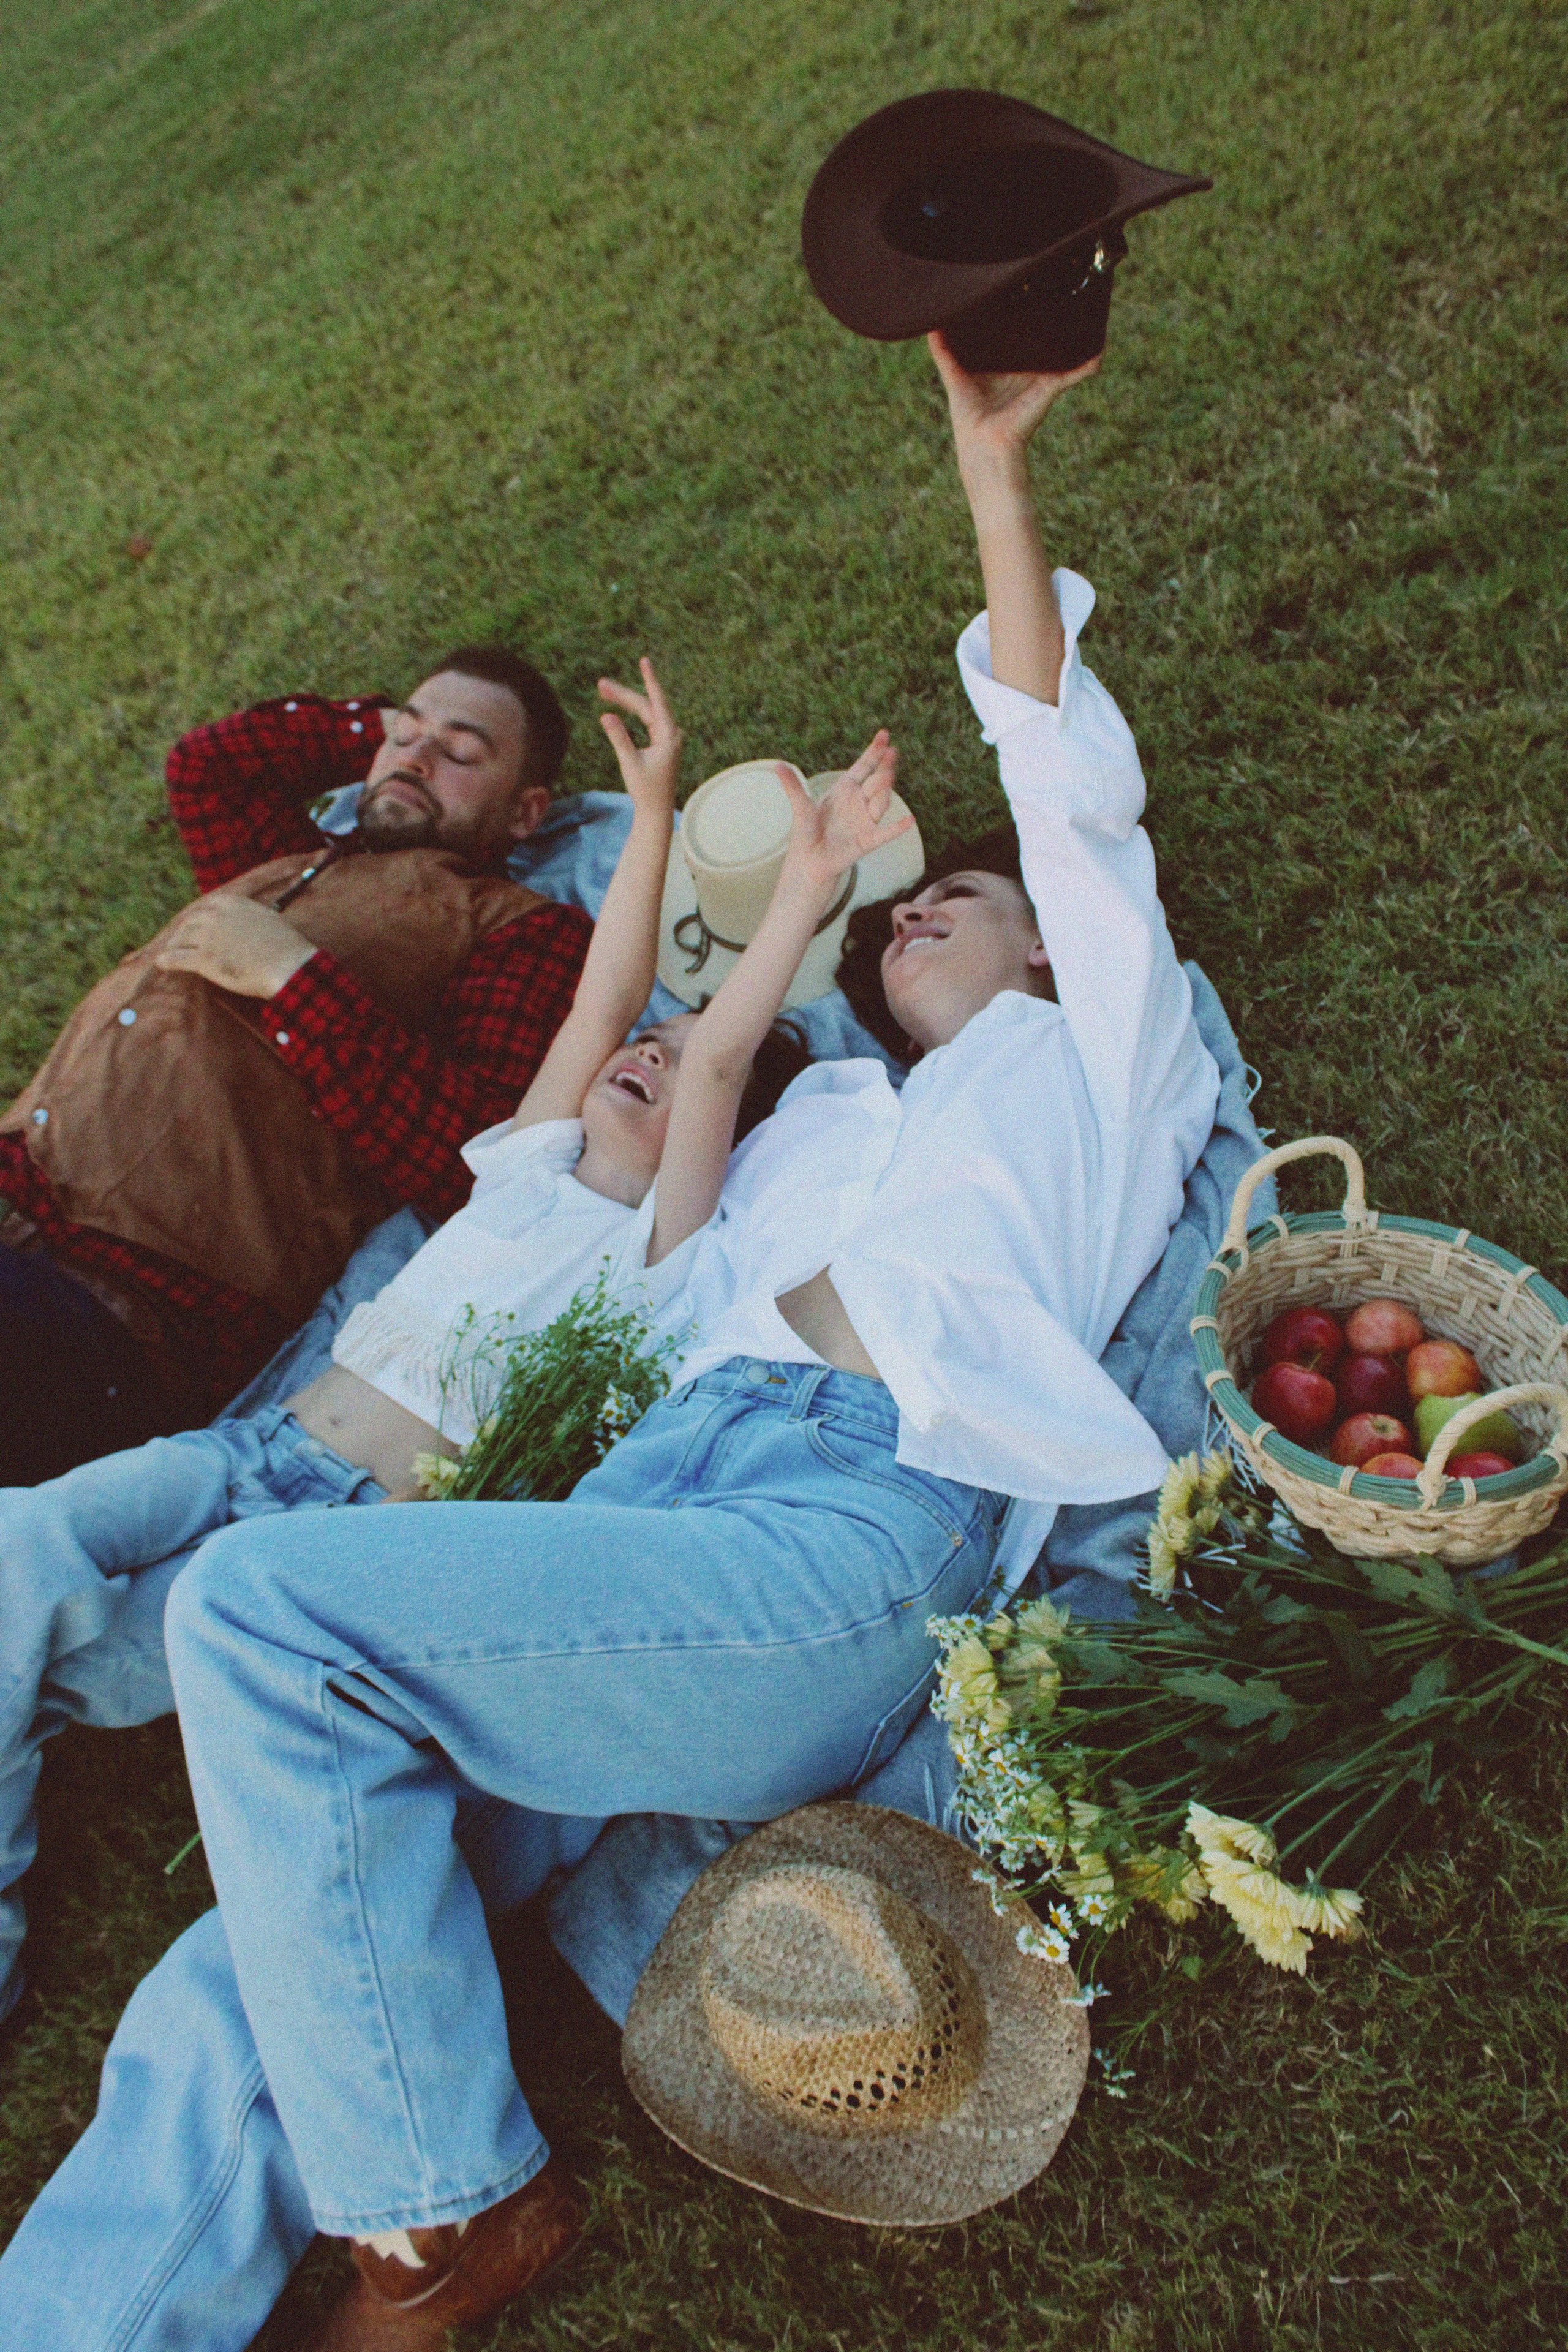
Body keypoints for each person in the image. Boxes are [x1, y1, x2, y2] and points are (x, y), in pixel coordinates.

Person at [0, 336, 1221, 2350]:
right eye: (909, 917)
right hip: (654, 1511)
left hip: (844, 1522)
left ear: (1059, 946)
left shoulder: (1101, 1066)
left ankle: (452, 2208)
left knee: (258, 1625)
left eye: (977, 901)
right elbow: (652, 1091)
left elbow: (1072, 791)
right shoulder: (813, 1111)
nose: (945, 918)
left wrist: (995, 481)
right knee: (257, 1950)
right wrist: (782, 912)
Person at [0, 660, 834, 2029]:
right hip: (241, 1455)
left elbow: (734, 1053)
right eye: (657, 1043)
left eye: (685, 1070)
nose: (653, 1057)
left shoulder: (660, 1259)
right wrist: (652, 811)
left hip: (310, 1541)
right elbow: (599, 996)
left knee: (63, 1650)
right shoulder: (528, 1164)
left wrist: (799, 890)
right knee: (18, 1556)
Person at [0, 647, 595, 1483]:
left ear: (526, 813)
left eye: (459, 753)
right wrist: (383, 730)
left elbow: (485, 1161)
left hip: (117, 1303)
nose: (415, 758)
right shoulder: (290, 855)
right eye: (405, 736)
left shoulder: (516, 929)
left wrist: (294, 981)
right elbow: (205, 768)